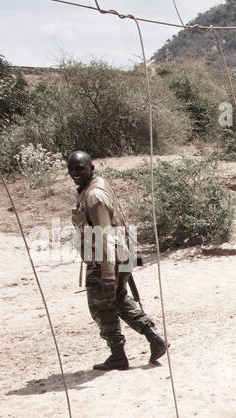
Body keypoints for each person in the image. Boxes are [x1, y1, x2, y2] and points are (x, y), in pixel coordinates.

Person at [67, 151, 168, 370]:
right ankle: (154, 338)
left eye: (80, 168)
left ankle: (118, 355)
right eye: (72, 169)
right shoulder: (96, 186)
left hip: (107, 259)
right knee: (119, 299)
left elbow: (104, 235)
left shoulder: (94, 196)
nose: (75, 173)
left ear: (91, 168)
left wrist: (107, 273)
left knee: (101, 307)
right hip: (121, 253)